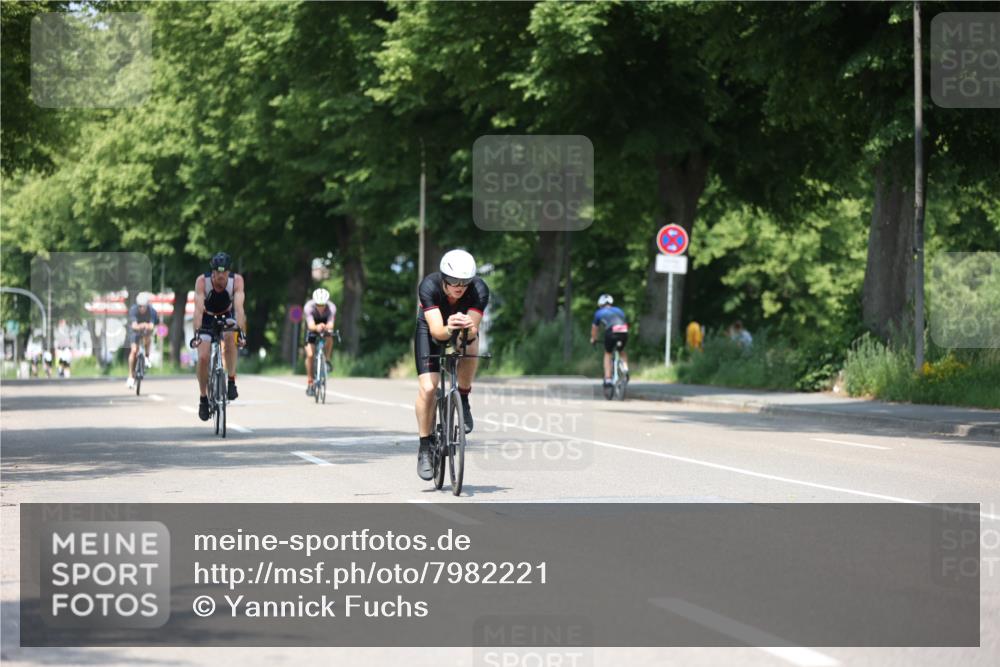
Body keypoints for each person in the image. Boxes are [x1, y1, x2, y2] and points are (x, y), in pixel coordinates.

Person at [414, 249, 490, 481]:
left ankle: (463, 399)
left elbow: (472, 331)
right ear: (444, 278)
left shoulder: (479, 290)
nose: (460, 286)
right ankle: (425, 447)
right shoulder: (429, 286)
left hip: (461, 326)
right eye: (454, 281)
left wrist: (467, 328)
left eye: (465, 281)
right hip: (432, 327)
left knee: (472, 344)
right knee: (429, 388)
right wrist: (450, 326)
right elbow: (438, 332)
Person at [190, 252, 247, 421]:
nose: (220, 276)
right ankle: (203, 398)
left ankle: (231, 381)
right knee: (203, 358)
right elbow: (198, 310)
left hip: (225, 314)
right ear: (212, 272)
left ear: (229, 272)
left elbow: (239, 309)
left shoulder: (236, 281)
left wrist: (241, 333)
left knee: (231, 338)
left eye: (224, 272)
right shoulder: (202, 281)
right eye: (217, 272)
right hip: (207, 317)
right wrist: (196, 334)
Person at [590, 294, 629, 386]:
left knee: (608, 353)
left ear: (600, 304)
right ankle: (625, 368)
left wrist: (593, 339)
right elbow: (624, 321)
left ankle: (608, 378)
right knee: (621, 350)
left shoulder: (599, 312)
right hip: (623, 330)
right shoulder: (619, 310)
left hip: (611, 331)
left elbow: (594, 329)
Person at [303, 287, 337, 396]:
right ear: (315, 302)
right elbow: (311, 325)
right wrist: (317, 327)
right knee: (310, 354)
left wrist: (325, 327)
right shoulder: (308, 307)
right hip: (312, 327)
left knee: (330, 337)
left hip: (325, 325)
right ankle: (310, 382)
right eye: (318, 305)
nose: (321, 307)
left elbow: (331, 324)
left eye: (323, 305)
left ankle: (326, 359)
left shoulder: (331, 308)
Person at [127, 292, 159, 388]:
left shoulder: (152, 311)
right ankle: (130, 376)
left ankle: (147, 356)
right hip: (135, 331)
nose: (142, 308)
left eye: (144, 306)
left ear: (147, 305)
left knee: (147, 337)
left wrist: (146, 326)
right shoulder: (133, 310)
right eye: (140, 306)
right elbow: (134, 326)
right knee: (133, 351)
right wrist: (143, 325)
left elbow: (152, 326)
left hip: (146, 331)